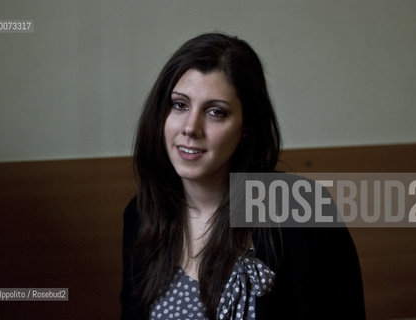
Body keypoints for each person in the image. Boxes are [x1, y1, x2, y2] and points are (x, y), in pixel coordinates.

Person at [121, 33, 365, 319]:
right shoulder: (140, 214)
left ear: (246, 127)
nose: (190, 127)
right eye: (179, 105)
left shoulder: (301, 208)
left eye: (215, 112)